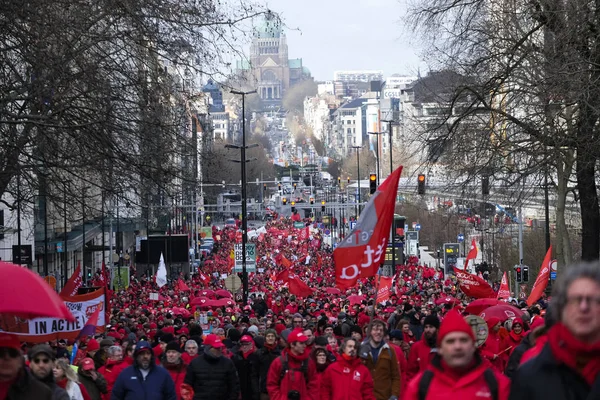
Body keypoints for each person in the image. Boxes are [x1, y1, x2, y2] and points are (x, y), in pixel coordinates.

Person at [509, 262, 600, 400]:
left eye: (594, 300)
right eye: (575, 300)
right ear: (561, 309)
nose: (584, 307)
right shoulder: (530, 375)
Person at [403, 310, 511, 400]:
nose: (458, 346)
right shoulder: (419, 386)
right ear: (440, 348)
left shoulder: (497, 384)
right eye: (450, 341)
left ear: (473, 346)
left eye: (464, 340)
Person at [111, 341, 176, 400]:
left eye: (148, 353)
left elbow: (171, 396)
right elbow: (116, 396)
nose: (145, 356)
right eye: (142, 353)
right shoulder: (125, 374)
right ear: (136, 356)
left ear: (151, 355)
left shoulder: (163, 374)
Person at [266, 329, 319, 400]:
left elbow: (314, 386)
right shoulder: (278, 362)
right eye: (301, 343)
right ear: (292, 344)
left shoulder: (309, 362)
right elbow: (272, 385)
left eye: (304, 343)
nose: (304, 346)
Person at [184, 334, 240, 400]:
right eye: (216, 348)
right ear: (208, 348)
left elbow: (234, 386)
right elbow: (187, 386)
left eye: (220, 347)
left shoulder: (228, 363)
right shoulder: (195, 363)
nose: (219, 349)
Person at [0, 333, 53, 400]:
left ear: (20, 360)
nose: (7, 357)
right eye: (1, 353)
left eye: (12, 353)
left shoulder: (41, 393)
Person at [359, 319, 401, 400]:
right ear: (370, 332)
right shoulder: (361, 349)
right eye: (375, 329)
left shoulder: (389, 350)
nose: (378, 332)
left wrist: (394, 395)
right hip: (365, 396)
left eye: (381, 330)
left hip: (384, 396)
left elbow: (396, 376)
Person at [406, 315, 439, 381]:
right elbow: (411, 371)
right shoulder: (417, 347)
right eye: (426, 327)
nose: (428, 330)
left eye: (431, 327)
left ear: (437, 328)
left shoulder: (444, 346)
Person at [251, 329, 281, 400]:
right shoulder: (258, 353)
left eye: (272, 336)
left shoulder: (280, 353)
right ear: (265, 338)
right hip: (264, 390)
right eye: (268, 336)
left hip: (278, 389)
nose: (270, 338)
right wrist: (256, 391)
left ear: (275, 338)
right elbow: (254, 374)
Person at [231, 335, 257, 400]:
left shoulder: (257, 356)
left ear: (252, 344)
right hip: (241, 389)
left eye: (247, 344)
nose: (244, 346)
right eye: (243, 344)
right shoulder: (237, 357)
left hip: (253, 390)